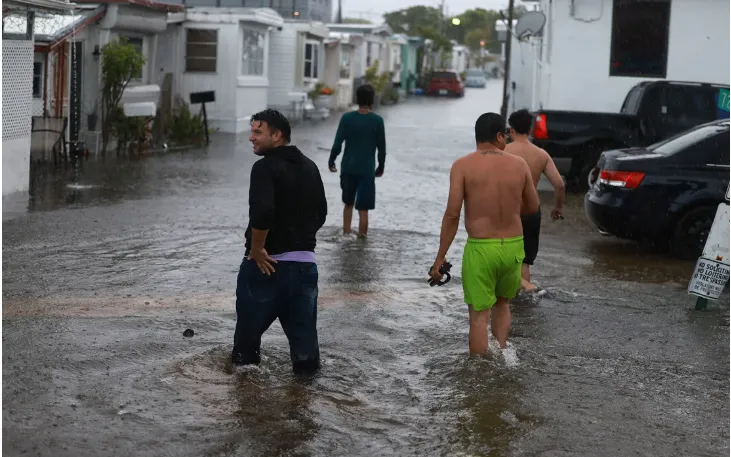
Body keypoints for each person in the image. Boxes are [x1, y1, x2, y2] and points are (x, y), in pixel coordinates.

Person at [429, 112, 540, 355]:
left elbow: (452, 214)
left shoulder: (462, 166)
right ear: (499, 135)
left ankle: (480, 375)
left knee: (479, 316)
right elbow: (533, 206)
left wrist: (440, 257)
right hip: (512, 247)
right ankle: (501, 355)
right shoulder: (519, 165)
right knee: (502, 304)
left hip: (481, 248)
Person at [232, 109, 328, 375]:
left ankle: (247, 407)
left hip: (266, 268)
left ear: (277, 136)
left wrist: (257, 248)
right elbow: (321, 214)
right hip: (305, 269)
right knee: (306, 357)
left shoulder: (263, 168)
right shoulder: (310, 166)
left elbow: (262, 212)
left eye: (257, 132)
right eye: (251, 131)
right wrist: (299, 239)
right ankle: (303, 407)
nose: (251, 137)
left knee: (245, 356)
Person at [505, 109, 566, 293]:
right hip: (531, 212)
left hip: (508, 212)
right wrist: (558, 207)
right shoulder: (541, 154)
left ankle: (505, 300)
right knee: (525, 260)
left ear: (511, 130)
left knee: (504, 257)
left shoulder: (503, 151)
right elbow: (559, 184)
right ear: (530, 130)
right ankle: (524, 301)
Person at [328, 84, 386, 237]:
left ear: (356, 98)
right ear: (372, 100)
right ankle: (362, 240)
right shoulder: (377, 121)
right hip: (367, 170)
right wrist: (380, 167)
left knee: (348, 203)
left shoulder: (347, 118)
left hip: (348, 168)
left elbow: (337, 143)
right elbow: (382, 148)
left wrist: (332, 160)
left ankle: (346, 234)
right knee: (363, 208)